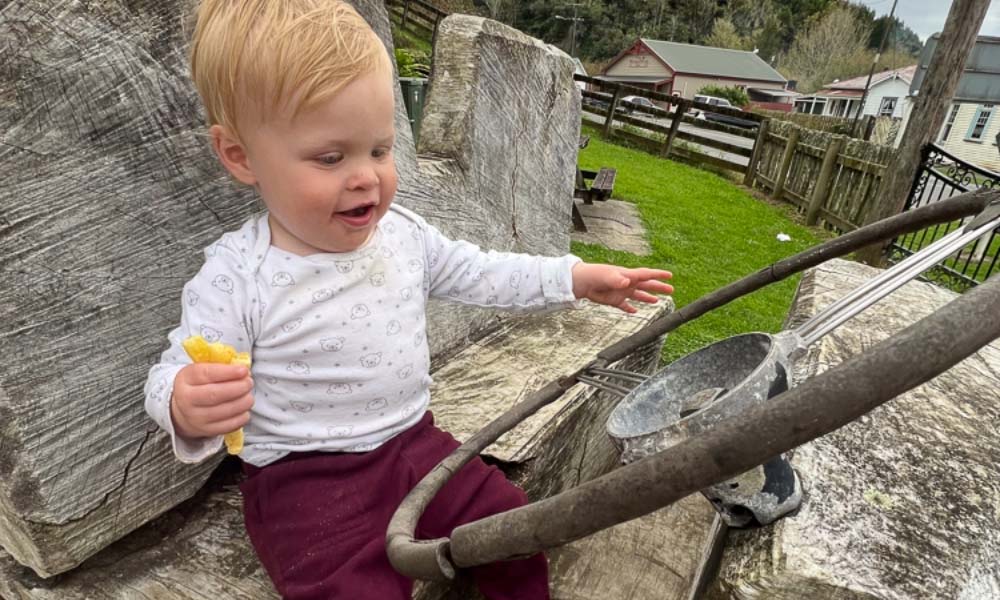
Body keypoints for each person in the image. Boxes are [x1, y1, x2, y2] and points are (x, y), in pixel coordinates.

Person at [143, 1, 673, 598]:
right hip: (306, 485)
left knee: (512, 526)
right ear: (241, 156)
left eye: (379, 149)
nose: (367, 176)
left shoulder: (403, 235)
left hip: (416, 445)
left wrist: (572, 277)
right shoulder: (238, 272)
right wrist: (184, 404)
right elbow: (177, 371)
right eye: (330, 157)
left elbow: (483, 272)